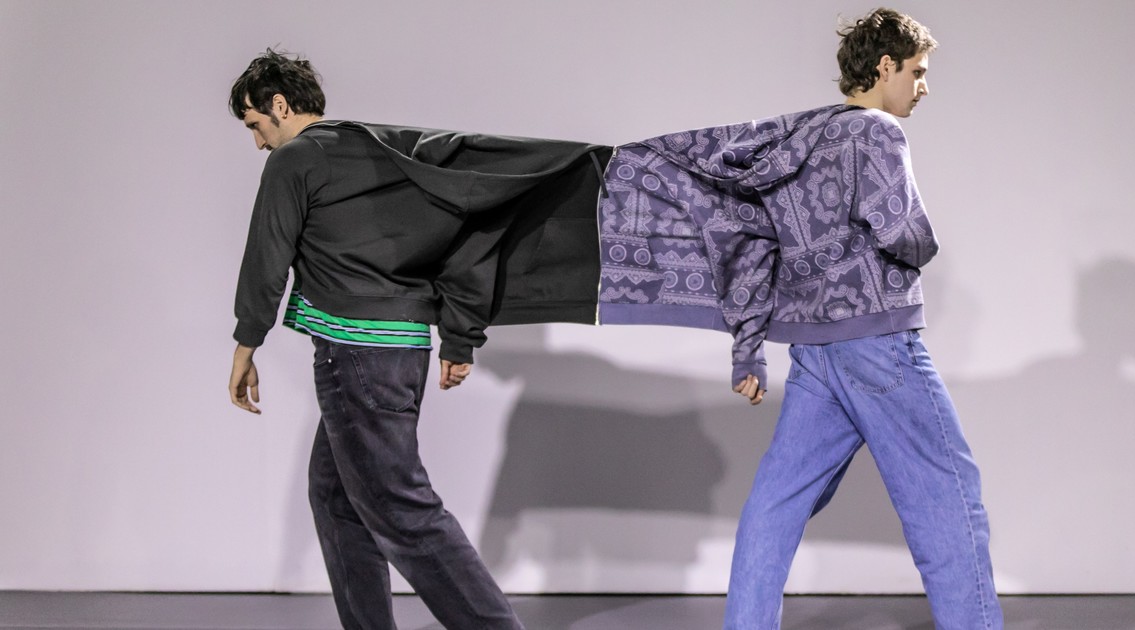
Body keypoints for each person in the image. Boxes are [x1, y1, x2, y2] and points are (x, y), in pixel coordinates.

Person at [596, 9, 1001, 629]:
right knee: (948, 497)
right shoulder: (877, 133)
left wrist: (748, 349)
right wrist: (926, 245)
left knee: (776, 505)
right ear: (885, 66)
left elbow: (755, 246)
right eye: (918, 72)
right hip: (878, 342)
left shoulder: (800, 139)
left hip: (815, 353)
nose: (924, 86)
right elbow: (902, 231)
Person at [226, 49, 607, 630]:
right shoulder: (385, 152)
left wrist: (245, 345)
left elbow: (266, 256)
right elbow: (463, 240)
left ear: (279, 105)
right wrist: (458, 338)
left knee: (401, 509)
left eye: (256, 125)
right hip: (403, 351)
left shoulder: (294, 159)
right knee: (334, 497)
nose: (258, 143)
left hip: (356, 355)